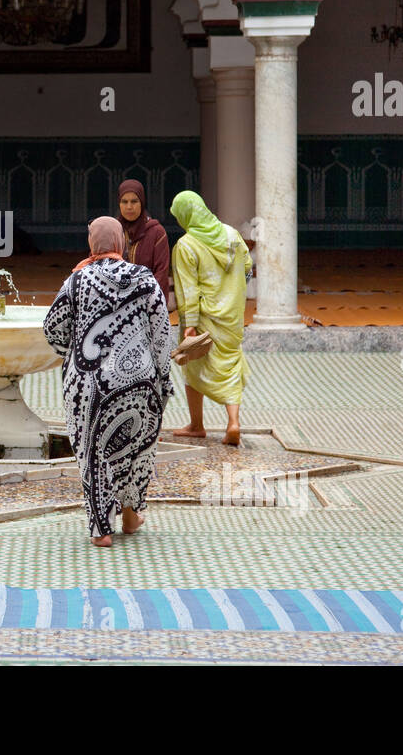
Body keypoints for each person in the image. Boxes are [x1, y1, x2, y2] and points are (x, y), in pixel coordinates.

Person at [43, 217, 173, 547]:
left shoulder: (76, 280)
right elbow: (161, 333)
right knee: (136, 447)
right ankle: (130, 515)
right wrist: (162, 377)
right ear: (119, 242)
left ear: (93, 242)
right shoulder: (144, 279)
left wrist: (72, 355)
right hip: (138, 381)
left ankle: (102, 529)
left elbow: (52, 327)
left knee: (93, 453)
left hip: (87, 384)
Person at [169, 190, 253, 446]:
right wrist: (232, 294)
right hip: (232, 315)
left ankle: (196, 425)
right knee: (230, 363)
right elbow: (247, 267)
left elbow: (188, 289)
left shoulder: (187, 245)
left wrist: (190, 325)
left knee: (195, 367)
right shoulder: (231, 235)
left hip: (204, 317)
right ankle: (233, 422)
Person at [116, 179, 172, 308]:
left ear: (142, 202)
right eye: (124, 202)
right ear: (119, 204)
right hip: (116, 306)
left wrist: (148, 304)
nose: (129, 207)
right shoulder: (113, 230)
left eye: (134, 201)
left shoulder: (156, 232)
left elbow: (161, 272)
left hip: (147, 304)